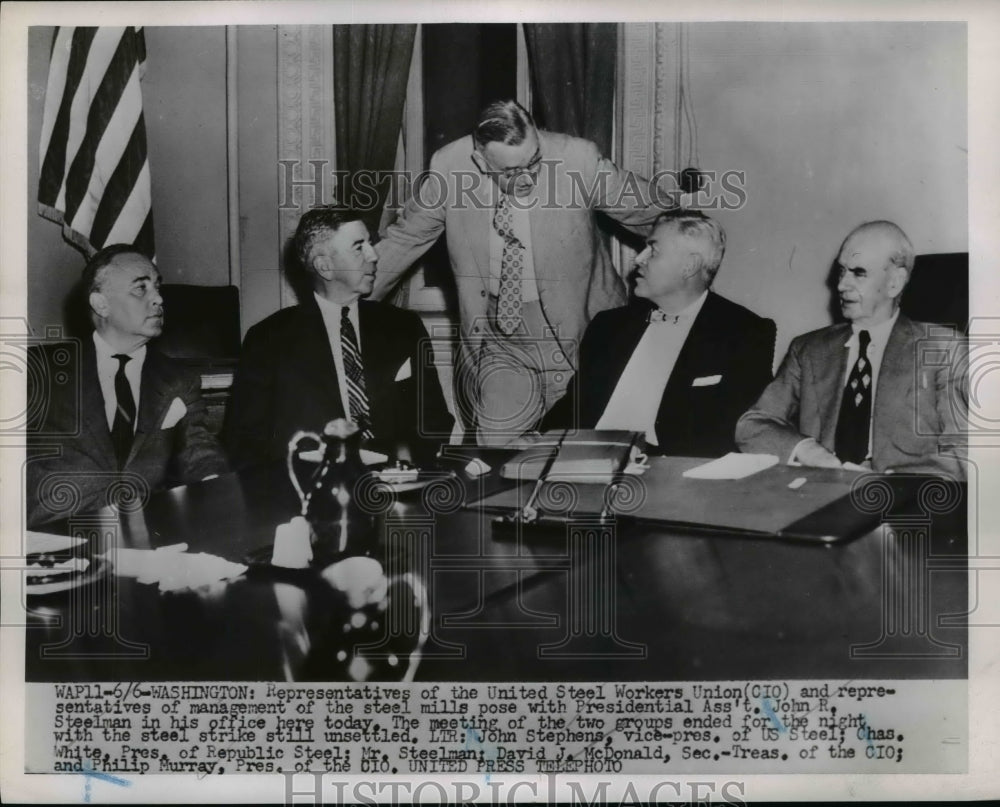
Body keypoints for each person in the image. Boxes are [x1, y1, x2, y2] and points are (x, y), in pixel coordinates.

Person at [372, 99, 670, 445]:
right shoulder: (449, 167)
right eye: (512, 171)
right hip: (502, 343)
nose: (528, 177)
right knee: (495, 456)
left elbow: (659, 213)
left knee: (590, 460)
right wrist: (343, 302)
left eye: (534, 162)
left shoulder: (578, 159)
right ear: (481, 162)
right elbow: (405, 238)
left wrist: (683, 259)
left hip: (585, 334)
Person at [224, 207, 453, 468]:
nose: (374, 255)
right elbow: (245, 442)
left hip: (396, 482)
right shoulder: (269, 339)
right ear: (325, 266)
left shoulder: (403, 327)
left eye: (371, 244)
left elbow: (434, 421)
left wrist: (408, 467)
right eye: (359, 247)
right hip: (310, 487)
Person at [736, 220, 967, 478]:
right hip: (821, 500)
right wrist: (805, 449)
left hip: (903, 503)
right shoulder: (809, 350)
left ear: (895, 283)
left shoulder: (944, 350)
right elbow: (752, 425)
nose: (841, 285)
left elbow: (963, 453)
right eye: (841, 271)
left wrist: (887, 481)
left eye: (858, 273)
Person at [543, 211, 776, 456]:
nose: (638, 260)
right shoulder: (609, 325)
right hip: (583, 464)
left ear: (690, 265)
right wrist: (535, 440)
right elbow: (574, 406)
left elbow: (733, 431)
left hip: (668, 474)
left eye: (653, 251)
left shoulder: (744, 333)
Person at [26, 245, 227, 527]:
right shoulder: (39, 371)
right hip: (56, 541)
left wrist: (218, 487)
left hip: (146, 536)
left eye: (157, 286)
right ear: (101, 304)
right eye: (140, 289)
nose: (158, 298)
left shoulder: (177, 378)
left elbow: (199, 451)